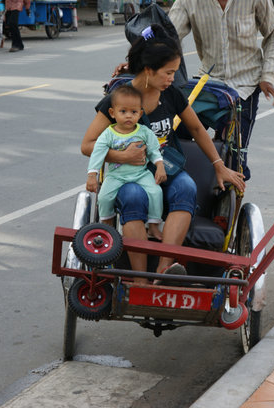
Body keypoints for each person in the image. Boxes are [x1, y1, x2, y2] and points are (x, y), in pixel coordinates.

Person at [81, 24, 245, 280]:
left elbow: (198, 129)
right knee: (133, 196)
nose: (172, 78)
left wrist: (218, 165)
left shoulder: (172, 96)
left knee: (186, 188)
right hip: (127, 173)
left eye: (174, 72)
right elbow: (88, 144)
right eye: (168, 73)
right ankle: (139, 277)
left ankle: (163, 269)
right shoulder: (120, 100)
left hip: (164, 167)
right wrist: (122, 156)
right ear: (148, 71)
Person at [168, 0, 274, 181]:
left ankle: (228, 211)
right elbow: (166, 38)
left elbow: (273, 34)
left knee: (235, 158)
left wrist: (267, 77)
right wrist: (134, 62)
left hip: (245, 86)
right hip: (208, 85)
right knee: (174, 139)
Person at [86, 84, 166, 241]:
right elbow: (98, 154)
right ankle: (107, 225)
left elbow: (154, 151)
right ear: (112, 113)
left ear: (140, 114)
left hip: (140, 173)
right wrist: (91, 175)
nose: (128, 116)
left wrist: (160, 166)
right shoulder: (108, 134)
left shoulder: (144, 132)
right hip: (116, 176)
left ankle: (154, 226)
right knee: (104, 197)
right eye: (123, 111)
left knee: (156, 192)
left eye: (134, 112)